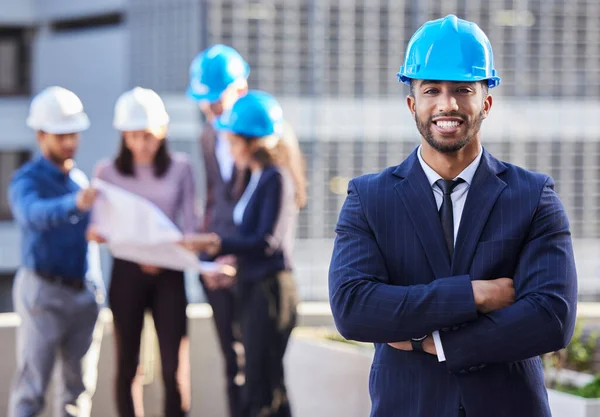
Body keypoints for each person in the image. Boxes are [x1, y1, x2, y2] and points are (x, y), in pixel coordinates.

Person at [328, 14, 578, 417]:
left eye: (463, 89)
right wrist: (474, 294)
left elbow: (552, 317)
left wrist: (431, 342)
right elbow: (354, 308)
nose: (448, 104)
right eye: (432, 90)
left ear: (486, 102)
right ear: (413, 104)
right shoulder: (369, 198)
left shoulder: (532, 196)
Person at [181, 91, 306, 417]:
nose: (229, 147)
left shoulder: (276, 178)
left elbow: (268, 241)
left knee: (262, 388)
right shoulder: (255, 178)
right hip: (253, 286)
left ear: (250, 142)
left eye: (232, 140)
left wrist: (216, 243)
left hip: (271, 292)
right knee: (263, 384)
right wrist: (231, 263)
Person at [89, 87, 198, 417]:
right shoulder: (106, 172)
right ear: (122, 135)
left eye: (147, 136)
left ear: (162, 131)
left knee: (172, 369)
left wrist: (189, 247)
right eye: (132, 136)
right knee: (127, 366)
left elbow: (190, 224)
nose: (140, 144)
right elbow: (98, 228)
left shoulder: (181, 168)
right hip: (127, 275)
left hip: (169, 275)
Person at [7, 86, 103, 417]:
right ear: (40, 135)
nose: (69, 142)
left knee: (76, 395)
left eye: (73, 134)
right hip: (44, 295)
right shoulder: (26, 180)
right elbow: (32, 214)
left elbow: (89, 239)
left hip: (82, 298)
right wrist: (73, 204)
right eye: (60, 135)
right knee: (32, 390)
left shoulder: (78, 179)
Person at [186, 44, 252, 417]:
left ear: (239, 90)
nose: (210, 108)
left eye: (215, 98)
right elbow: (215, 199)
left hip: (249, 264)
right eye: (204, 101)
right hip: (216, 261)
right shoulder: (208, 137)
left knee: (255, 363)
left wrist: (236, 257)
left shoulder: (261, 134)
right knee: (230, 359)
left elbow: (267, 210)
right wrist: (205, 254)